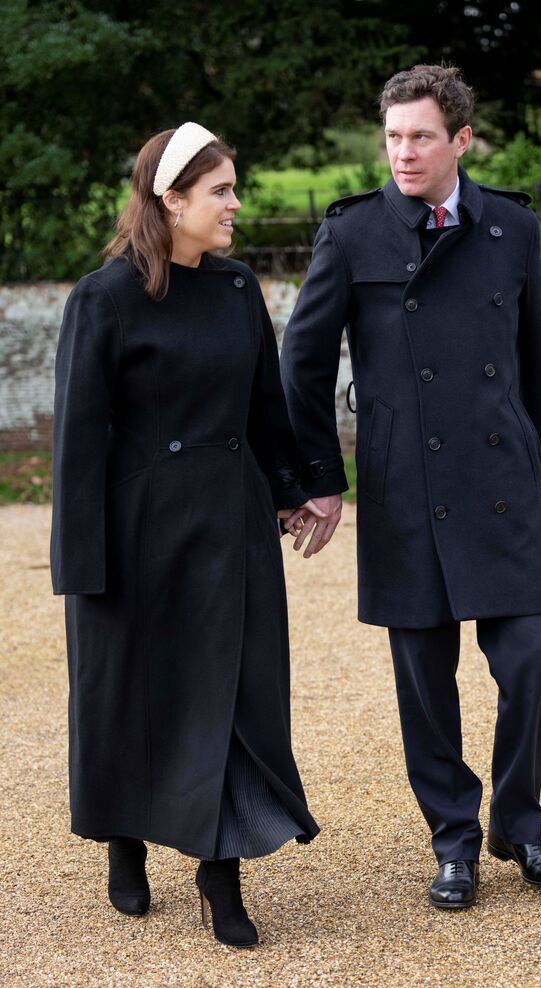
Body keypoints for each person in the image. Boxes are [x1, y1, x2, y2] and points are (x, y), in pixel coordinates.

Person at [280, 65, 541, 909]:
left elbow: (536, 352)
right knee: (424, 681)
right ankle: (454, 841)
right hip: (405, 487)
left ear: (461, 141)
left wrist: (530, 445)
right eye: (393, 137)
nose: (403, 153)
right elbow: (302, 367)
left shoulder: (511, 226)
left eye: (420, 137)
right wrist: (321, 479)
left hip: (500, 481)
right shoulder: (352, 233)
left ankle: (517, 822)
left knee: (532, 659)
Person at [50, 122, 325, 947]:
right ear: (171, 200)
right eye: (221, 191)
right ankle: (125, 842)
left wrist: (292, 493)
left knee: (232, 696)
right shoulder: (104, 298)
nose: (235, 204)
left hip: (231, 527)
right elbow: (78, 442)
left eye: (234, 188)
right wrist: (83, 566)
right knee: (130, 695)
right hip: (138, 537)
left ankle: (220, 874)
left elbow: (266, 408)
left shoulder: (238, 289)